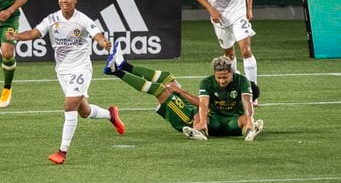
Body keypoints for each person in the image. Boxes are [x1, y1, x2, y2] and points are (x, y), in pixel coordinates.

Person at [5, 0, 125, 164]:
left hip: (81, 69)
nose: (64, 1)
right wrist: (16, 36)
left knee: (69, 106)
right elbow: (33, 33)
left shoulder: (82, 19)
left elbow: (96, 34)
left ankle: (62, 152)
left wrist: (102, 43)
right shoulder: (52, 19)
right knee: (84, 111)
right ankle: (110, 114)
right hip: (62, 71)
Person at [104, 42, 263, 141]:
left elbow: (204, 107)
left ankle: (116, 71)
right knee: (167, 77)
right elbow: (203, 105)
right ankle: (124, 65)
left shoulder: (239, 88)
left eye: (224, 78)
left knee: (161, 90)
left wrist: (179, 92)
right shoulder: (213, 83)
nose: (221, 81)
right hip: (200, 113)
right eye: (219, 78)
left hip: (187, 118)